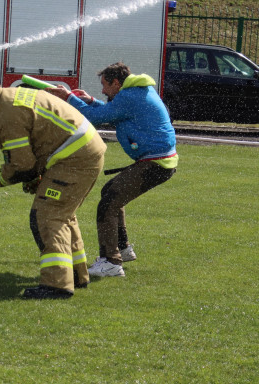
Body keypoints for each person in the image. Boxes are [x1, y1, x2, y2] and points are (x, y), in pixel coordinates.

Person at [0, 75, 106, 299]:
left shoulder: (7, 115)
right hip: (83, 152)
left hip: (74, 160)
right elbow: (25, 122)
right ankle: (77, 275)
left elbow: (22, 165)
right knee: (62, 214)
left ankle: (57, 285)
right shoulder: (11, 98)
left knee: (47, 215)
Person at [46, 62, 178, 278]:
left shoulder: (130, 96)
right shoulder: (135, 92)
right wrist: (89, 101)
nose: (103, 91)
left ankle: (111, 262)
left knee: (108, 202)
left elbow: (96, 117)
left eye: (105, 86)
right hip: (159, 161)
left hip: (156, 163)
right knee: (112, 194)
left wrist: (69, 98)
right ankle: (123, 249)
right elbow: (111, 111)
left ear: (116, 83)